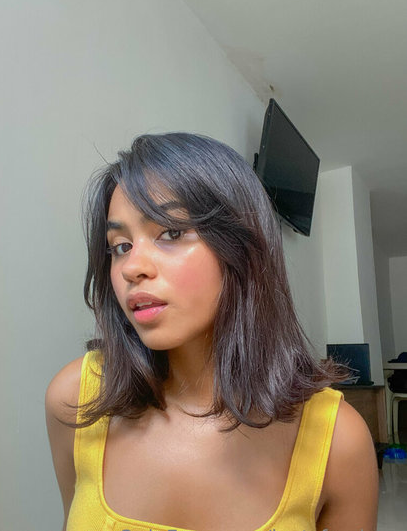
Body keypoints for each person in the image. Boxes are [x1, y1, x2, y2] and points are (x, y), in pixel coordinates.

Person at [45, 133, 379, 531]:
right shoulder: (75, 398)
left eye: (171, 233)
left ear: (242, 247)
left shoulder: (338, 440)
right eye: (120, 246)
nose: (132, 267)